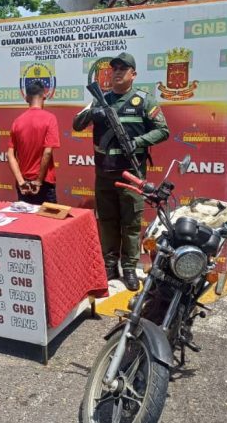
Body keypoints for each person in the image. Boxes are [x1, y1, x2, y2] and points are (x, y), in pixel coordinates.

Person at [73, 52, 170, 291]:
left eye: (122, 69)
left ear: (133, 74)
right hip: (104, 174)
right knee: (107, 221)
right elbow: (76, 125)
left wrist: (137, 142)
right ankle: (108, 266)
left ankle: (128, 268)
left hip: (132, 175)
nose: (116, 72)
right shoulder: (99, 100)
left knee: (131, 224)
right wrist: (92, 112)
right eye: (114, 68)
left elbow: (163, 130)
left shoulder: (143, 101)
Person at [7, 81, 60, 204]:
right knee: (48, 222)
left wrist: (20, 181)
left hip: (23, 183)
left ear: (26, 98)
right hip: (44, 182)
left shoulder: (17, 121)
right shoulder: (50, 118)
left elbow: (10, 154)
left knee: (26, 221)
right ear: (44, 97)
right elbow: (47, 152)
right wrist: (39, 181)